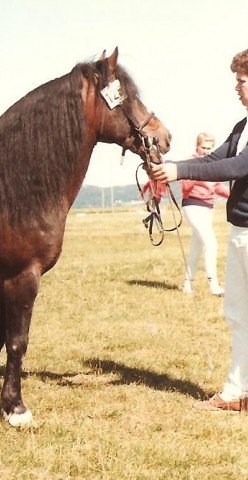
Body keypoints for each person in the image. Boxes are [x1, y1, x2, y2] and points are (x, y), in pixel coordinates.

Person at [150, 48, 248, 412]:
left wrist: (179, 172)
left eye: (240, 80)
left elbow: (237, 167)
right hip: (240, 230)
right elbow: (213, 160)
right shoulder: (242, 127)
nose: (235, 88)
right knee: (238, 314)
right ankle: (236, 393)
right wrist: (171, 165)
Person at [180, 133, 229, 296]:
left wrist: (233, 194)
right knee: (211, 243)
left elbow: (218, 187)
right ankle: (214, 285)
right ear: (197, 146)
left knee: (197, 247)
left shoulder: (211, 164)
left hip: (208, 207)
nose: (206, 151)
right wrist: (198, 171)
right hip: (192, 205)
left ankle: (187, 285)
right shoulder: (191, 163)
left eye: (209, 148)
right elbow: (186, 187)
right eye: (204, 147)